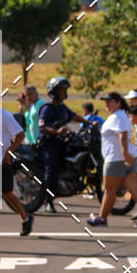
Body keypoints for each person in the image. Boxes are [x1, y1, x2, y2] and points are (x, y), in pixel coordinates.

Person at [87, 93, 137, 227]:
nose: (107, 104)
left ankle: (102, 218)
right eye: (105, 102)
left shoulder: (118, 116)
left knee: (109, 190)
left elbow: (122, 135)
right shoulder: (121, 116)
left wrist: (124, 154)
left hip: (116, 158)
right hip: (126, 157)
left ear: (118, 102)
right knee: (134, 188)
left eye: (110, 101)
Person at [0, 92, 34, 237]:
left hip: (3, 160)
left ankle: (26, 217)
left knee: (7, 193)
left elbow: (20, 134)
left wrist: (9, 152)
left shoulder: (4, 116)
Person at [37, 77, 92, 212]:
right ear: (54, 92)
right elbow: (42, 127)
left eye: (64, 91)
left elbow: (74, 116)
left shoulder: (62, 107)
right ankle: (48, 201)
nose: (63, 94)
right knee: (51, 169)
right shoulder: (47, 108)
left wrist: (90, 123)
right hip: (48, 144)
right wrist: (56, 131)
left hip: (60, 142)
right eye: (61, 91)